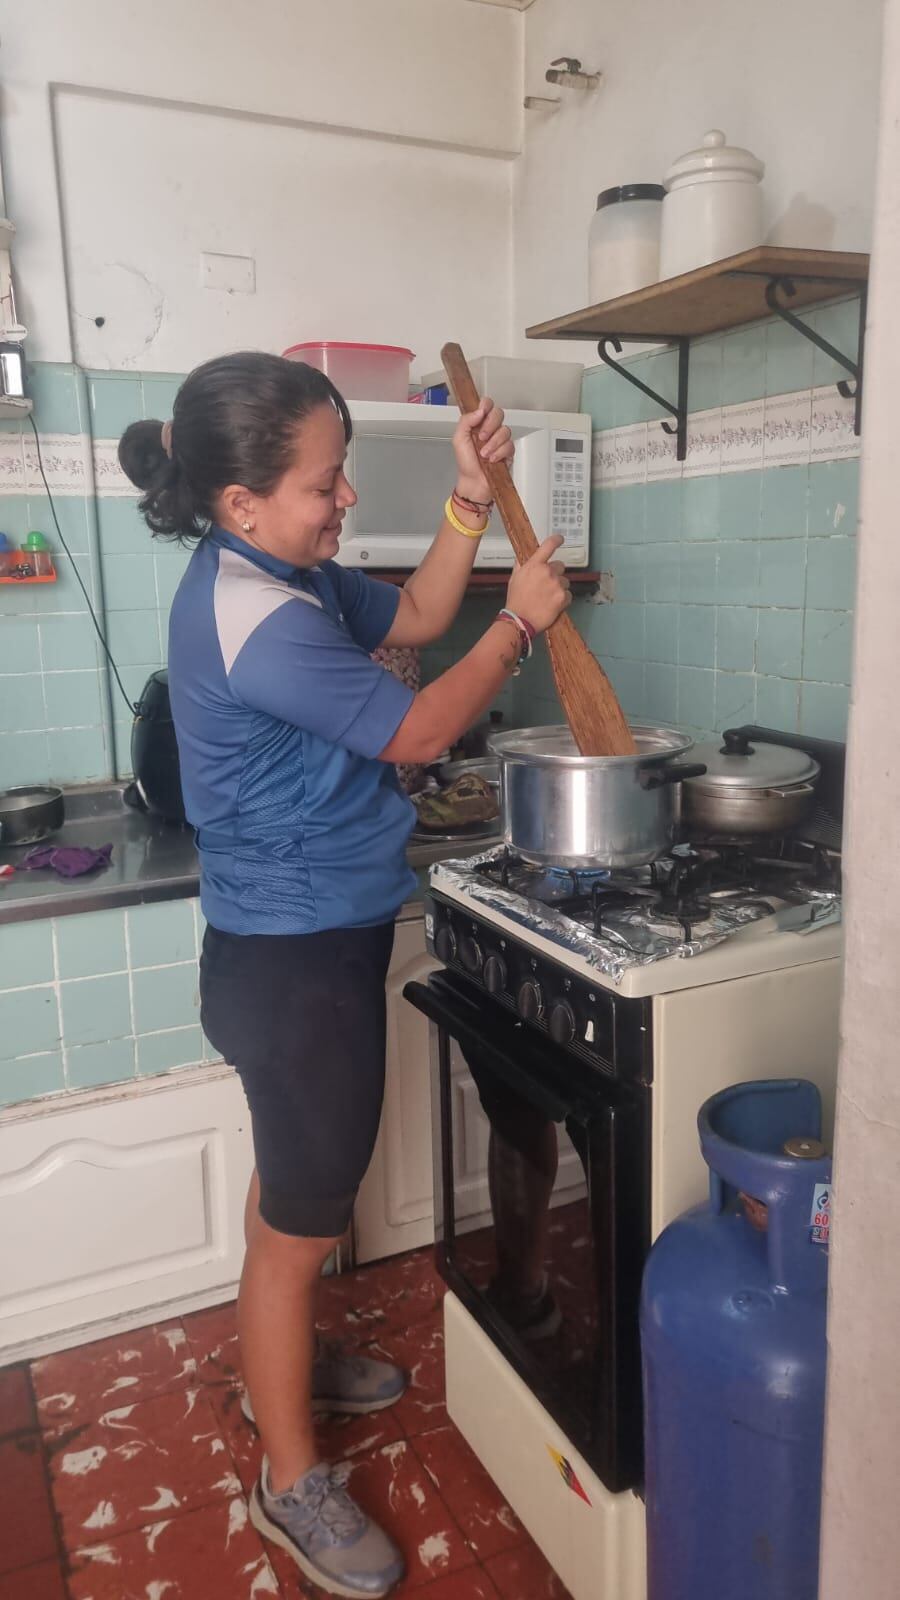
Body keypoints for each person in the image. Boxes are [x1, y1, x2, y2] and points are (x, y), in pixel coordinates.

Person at [118, 350, 571, 1599]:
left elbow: (420, 621)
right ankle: (288, 1480)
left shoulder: (288, 573)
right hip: (293, 959)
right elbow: (423, 725)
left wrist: (473, 499)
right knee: (299, 1224)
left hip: (312, 940)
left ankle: (291, 1364)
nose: (342, 498)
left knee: (295, 1186)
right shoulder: (256, 618)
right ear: (240, 501)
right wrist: (525, 619)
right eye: (325, 482)